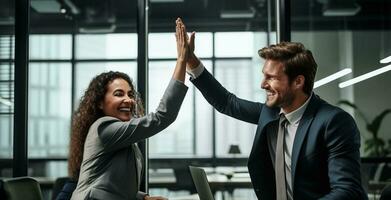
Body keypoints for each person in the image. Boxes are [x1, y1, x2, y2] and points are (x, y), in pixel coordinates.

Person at [179, 21, 367, 200]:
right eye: (264, 76)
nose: (263, 84)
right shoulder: (270, 113)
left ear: (298, 81)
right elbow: (227, 103)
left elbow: (347, 191)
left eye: (271, 77)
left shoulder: (333, 122)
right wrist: (191, 61)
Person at [67, 18, 191, 200]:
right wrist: (182, 61)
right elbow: (161, 117)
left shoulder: (123, 137)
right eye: (119, 94)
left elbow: (112, 186)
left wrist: (143, 198)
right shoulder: (104, 128)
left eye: (130, 94)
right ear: (100, 103)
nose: (128, 99)